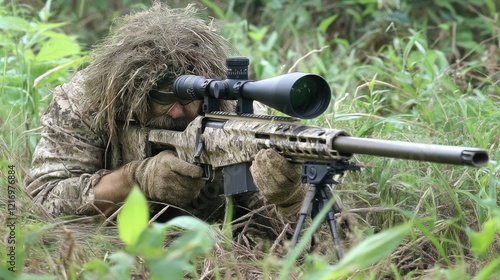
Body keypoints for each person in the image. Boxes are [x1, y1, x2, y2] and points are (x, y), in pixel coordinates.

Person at [25, 2, 306, 223]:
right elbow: (43, 199)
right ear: (130, 94)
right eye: (162, 97)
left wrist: (290, 198)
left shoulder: (239, 118)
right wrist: (134, 179)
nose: (177, 111)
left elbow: (310, 239)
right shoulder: (87, 103)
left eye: (191, 96)